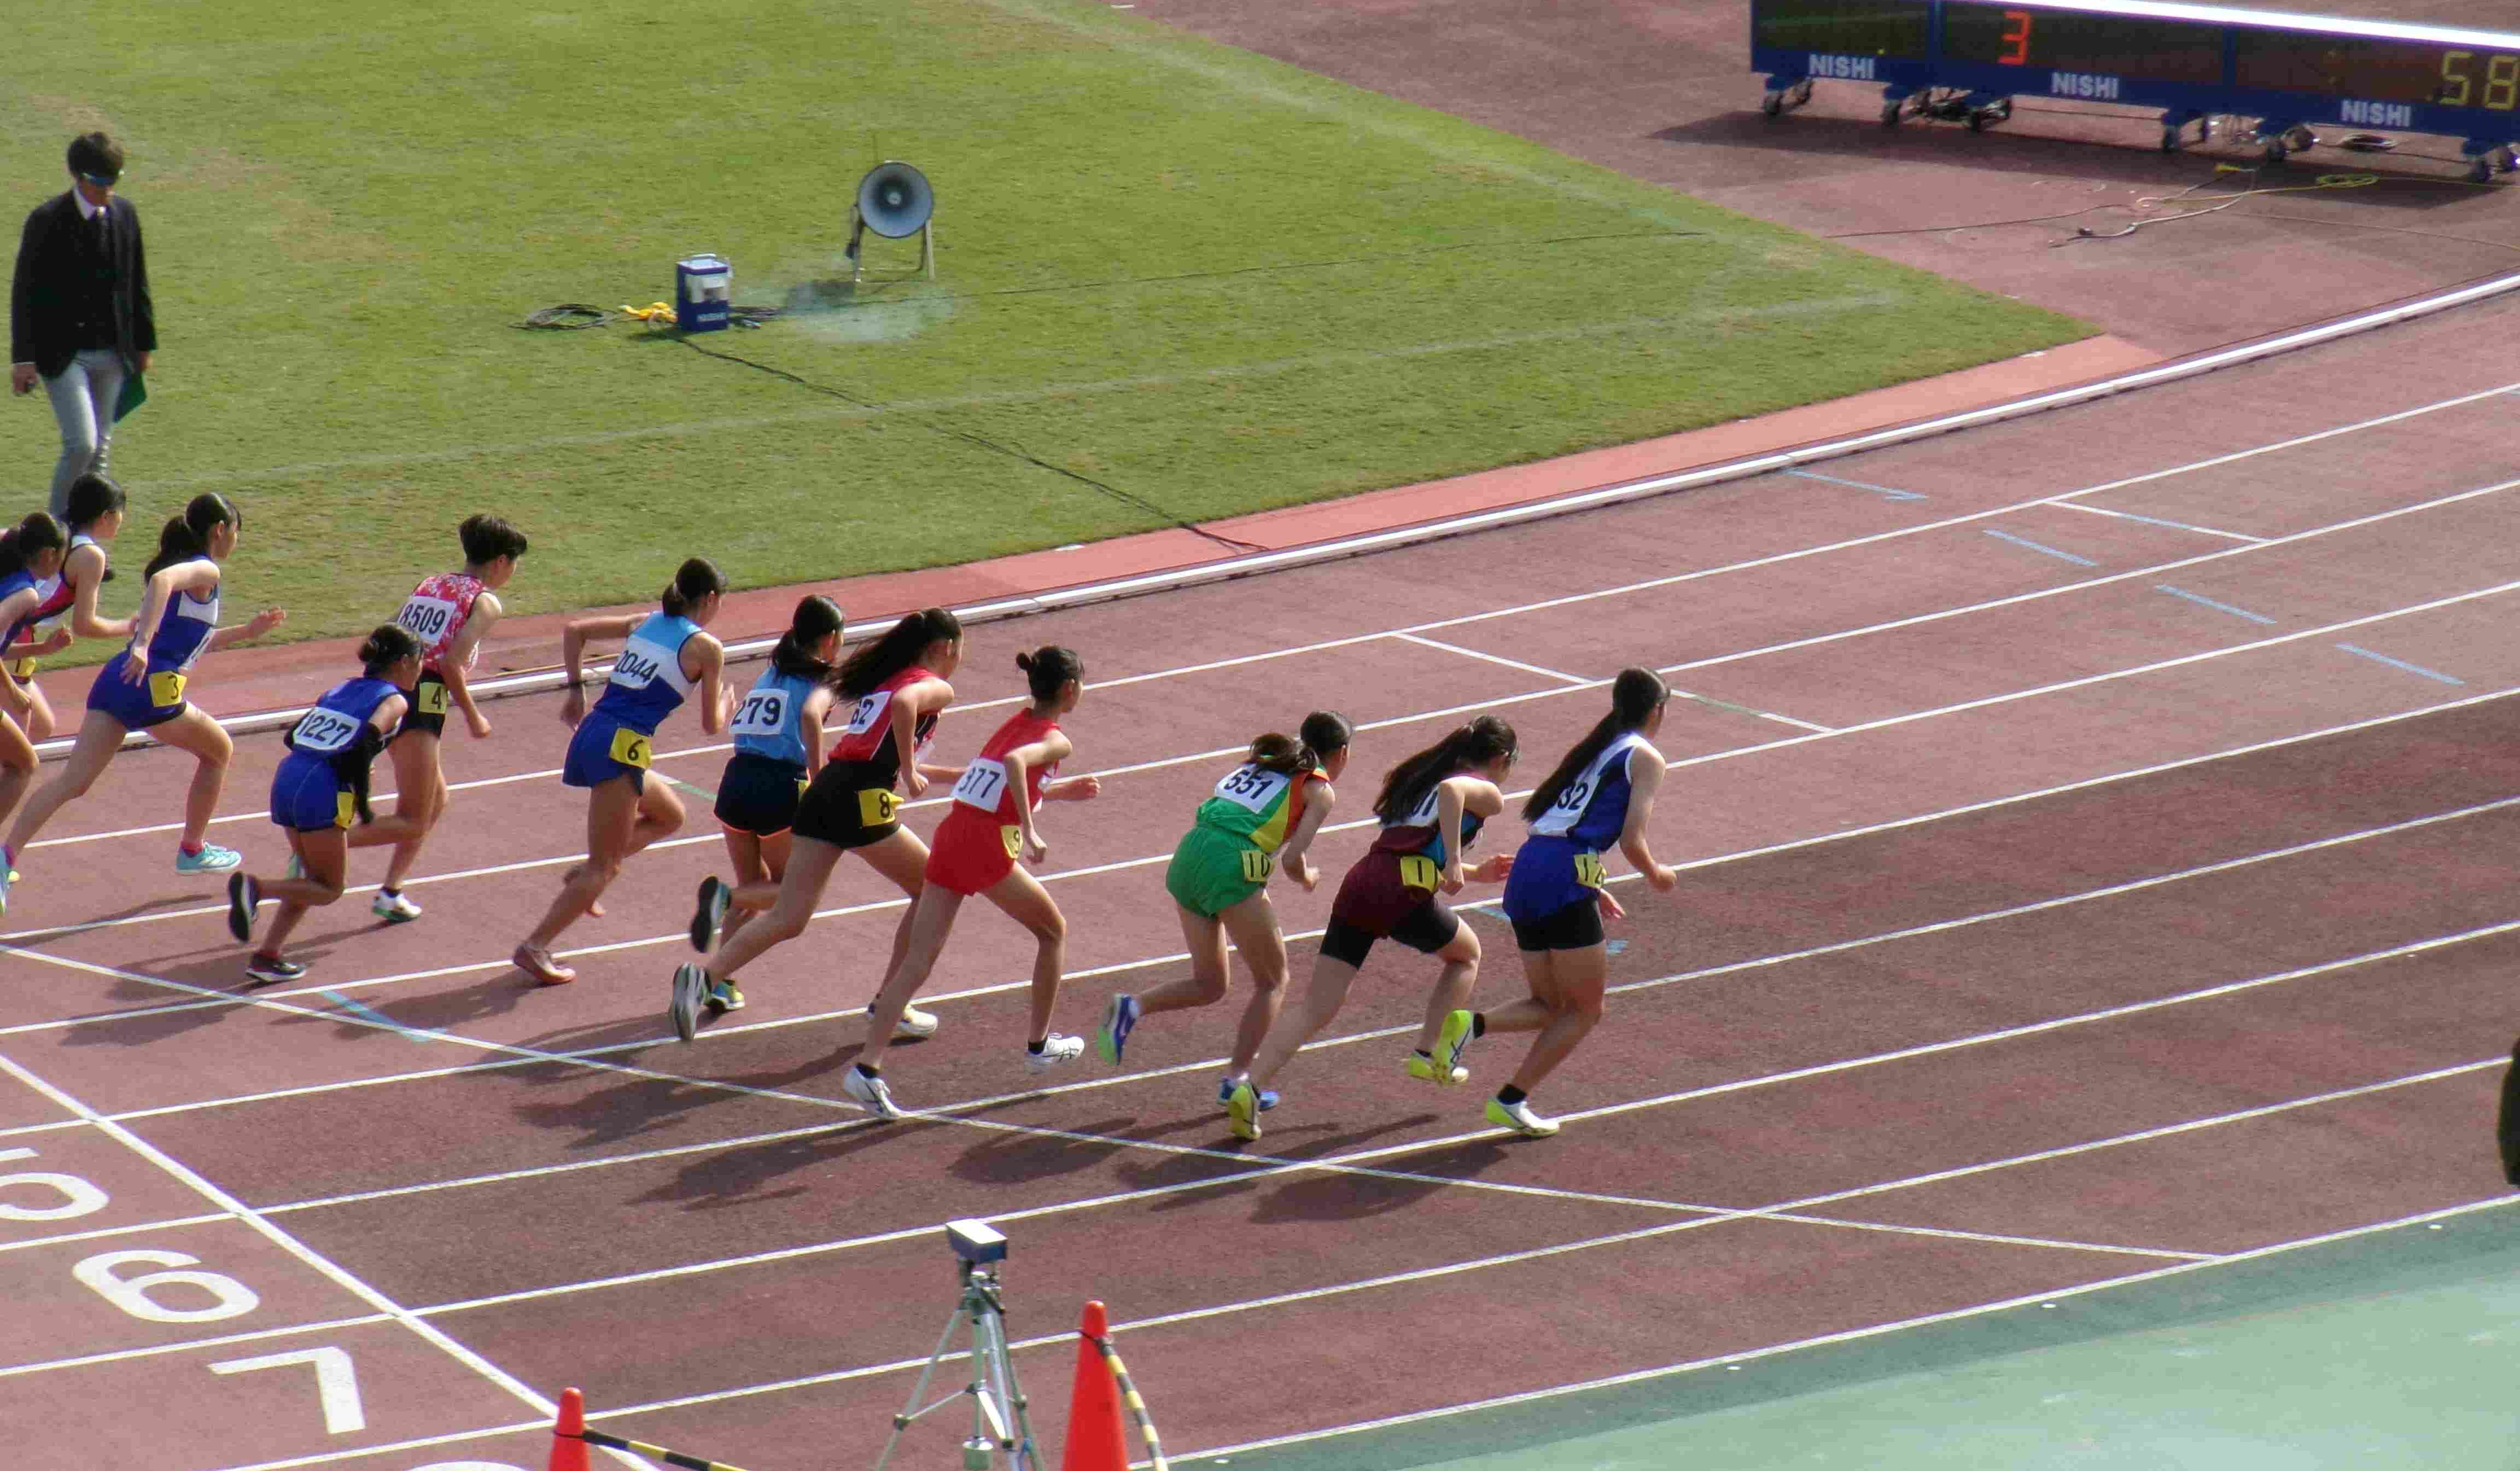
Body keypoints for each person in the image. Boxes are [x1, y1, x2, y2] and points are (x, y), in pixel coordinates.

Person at [669, 606, 967, 1039]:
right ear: (945, 648)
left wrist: (938, 772)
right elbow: (905, 708)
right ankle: (892, 1002)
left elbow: (886, 727)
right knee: (932, 886)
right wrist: (908, 768)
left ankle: (704, 978)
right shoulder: (932, 687)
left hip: (825, 788)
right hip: (860, 798)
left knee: (789, 915)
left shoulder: (882, 680)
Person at [1228, 715, 1519, 1141]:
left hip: (1363, 881)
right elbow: (1453, 793)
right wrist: (1457, 859)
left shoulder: (1421, 781)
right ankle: (1428, 1050)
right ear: (1500, 758)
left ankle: (1249, 1088)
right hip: (1397, 891)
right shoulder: (1483, 792)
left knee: (1318, 1007)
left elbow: (1412, 855)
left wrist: (1473, 872)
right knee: (1467, 955)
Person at [841, 646, 1102, 1117]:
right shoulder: (1058, 740)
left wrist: (1061, 792)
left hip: (952, 833)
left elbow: (995, 781)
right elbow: (1017, 768)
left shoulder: (1011, 722)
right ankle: (1039, 1045)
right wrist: (1031, 830)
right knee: (1053, 931)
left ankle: (867, 1069)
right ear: (1069, 690)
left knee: (918, 961)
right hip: (984, 845)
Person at [0, 493, 284, 916]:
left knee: (71, 783)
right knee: (219, 750)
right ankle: (192, 847)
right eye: (236, 533)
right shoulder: (205, 568)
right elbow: (160, 583)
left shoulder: (196, 580)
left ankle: (5, 860)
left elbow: (192, 641)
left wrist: (247, 631)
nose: (236, 542)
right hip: (153, 687)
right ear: (220, 531)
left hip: (117, 681)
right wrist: (145, 646)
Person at [1455, 669, 1678, 1137]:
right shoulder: (1645, 756)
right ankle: (1510, 1098)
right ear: (1657, 710)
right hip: (1562, 874)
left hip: (1531, 866)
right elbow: (1632, 840)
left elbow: (1562, 828)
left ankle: (1469, 1026)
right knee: (1585, 1009)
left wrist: (1593, 886)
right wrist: (1658, 874)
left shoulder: (1596, 747)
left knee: (1550, 1002)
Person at [1098, 711, 1352, 1113]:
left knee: (1210, 983)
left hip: (1189, 852)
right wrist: (1308, 876)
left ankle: (1132, 1006)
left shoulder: (1268, 761)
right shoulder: (1319, 788)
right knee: (1273, 980)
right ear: (1342, 753)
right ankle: (1237, 1081)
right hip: (1231, 862)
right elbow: (1292, 861)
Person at [512, 557, 732, 986]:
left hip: (600, 731)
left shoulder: (643, 621)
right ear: (710, 599)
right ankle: (535, 945)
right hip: (621, 744)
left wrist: (576, 691)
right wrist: (725, 702)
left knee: (670, 815)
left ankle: (584, 874)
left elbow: (575, 631)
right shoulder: (707, 648)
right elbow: (711, 726)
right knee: (606, 867)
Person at [664, 595, 842, 1036]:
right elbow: (810, 719)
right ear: (831, 639)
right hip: (780, 786)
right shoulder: (821, 678)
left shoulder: (773, 669)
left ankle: (721, 983)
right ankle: (724, 898)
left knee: (754, 885)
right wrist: (822, 784)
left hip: (735, 782)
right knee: (785, 895)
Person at [225, 626, 423, 984]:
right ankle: (256, 888)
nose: (421, 670)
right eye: (420, 662)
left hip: (289, 776)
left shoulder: (339, 689)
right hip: (323, 788)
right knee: (330, 888)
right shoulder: (396, 700)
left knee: (308, 875)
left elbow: (293, 735)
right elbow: (366, 742)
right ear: (405, 662)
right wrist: (363, 804)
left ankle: (267, 955)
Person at [362, 514, 528, 922]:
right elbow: (453, 663)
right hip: (423, 696)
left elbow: (386, 636)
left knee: (435, 800)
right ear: (501, 562)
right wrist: (474, 716)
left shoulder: (430, 583)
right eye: (515, 563)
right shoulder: (485, 601)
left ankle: (391, 890)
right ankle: (317, 847)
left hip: (389, 688)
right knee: (413, 813)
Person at [10, 133, 155, 519]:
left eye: (114, 181)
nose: (108, 190)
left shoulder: (126, 215)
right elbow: (25, 291)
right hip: (63, 354)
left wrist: (144, 344)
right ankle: (56, 536)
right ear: (77, 175)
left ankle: (88, 544)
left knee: (101, 451)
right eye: (99, 182)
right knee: (82, 444)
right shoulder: (47, 221)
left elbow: (137, 281)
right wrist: (23, 360)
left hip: (113, 352)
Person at [3, 472, 133, 740]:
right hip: (15, 632)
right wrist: (131, 626)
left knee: (40, 726)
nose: (122, 520)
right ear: (106, 516)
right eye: (120, 513)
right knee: (18, 749)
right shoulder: (91, 556)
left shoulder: (54, 529)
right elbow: (85, 625)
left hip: (19, 631)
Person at [0, 513, 71, 844]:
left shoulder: (10, 577)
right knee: (23, 765)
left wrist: (44, 648)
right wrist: (12, 688)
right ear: (48, 555)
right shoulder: (25, 593)